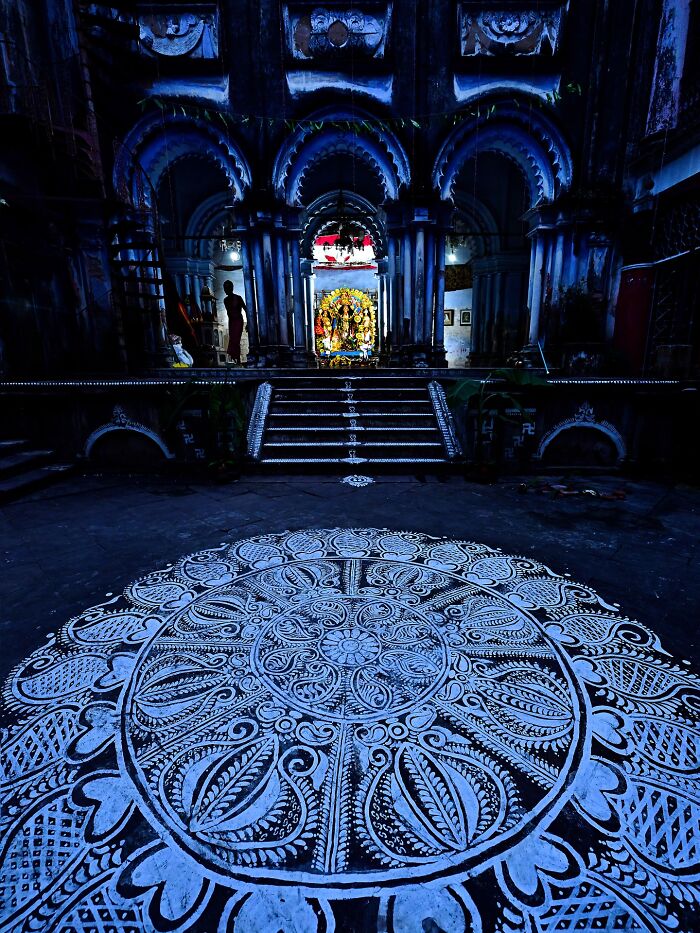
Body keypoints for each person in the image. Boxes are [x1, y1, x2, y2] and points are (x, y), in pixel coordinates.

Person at [223, 280, 246, 363]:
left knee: (236, 340)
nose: (225, 290)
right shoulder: (225, 300)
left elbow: (246, 309)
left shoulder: (238, 298)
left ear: (231, 288)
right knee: (232, 340)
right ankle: (234, 358)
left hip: (238, 321)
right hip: (232, 322)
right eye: (224, 288)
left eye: (226, 288)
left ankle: (237, 359)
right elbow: (229, 312)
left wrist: (249, 323)